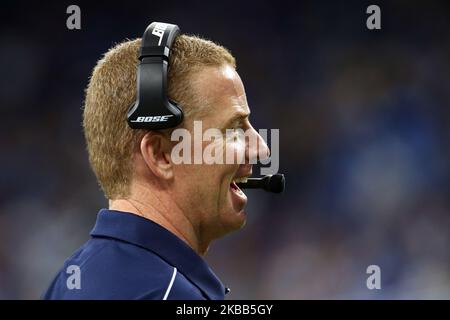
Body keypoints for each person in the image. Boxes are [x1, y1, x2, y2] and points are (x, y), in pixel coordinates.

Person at [43, 24, 269, 300]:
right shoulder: (165, 293)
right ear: (161, 155)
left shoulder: (71, 279)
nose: (261, 148)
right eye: (233, 129)